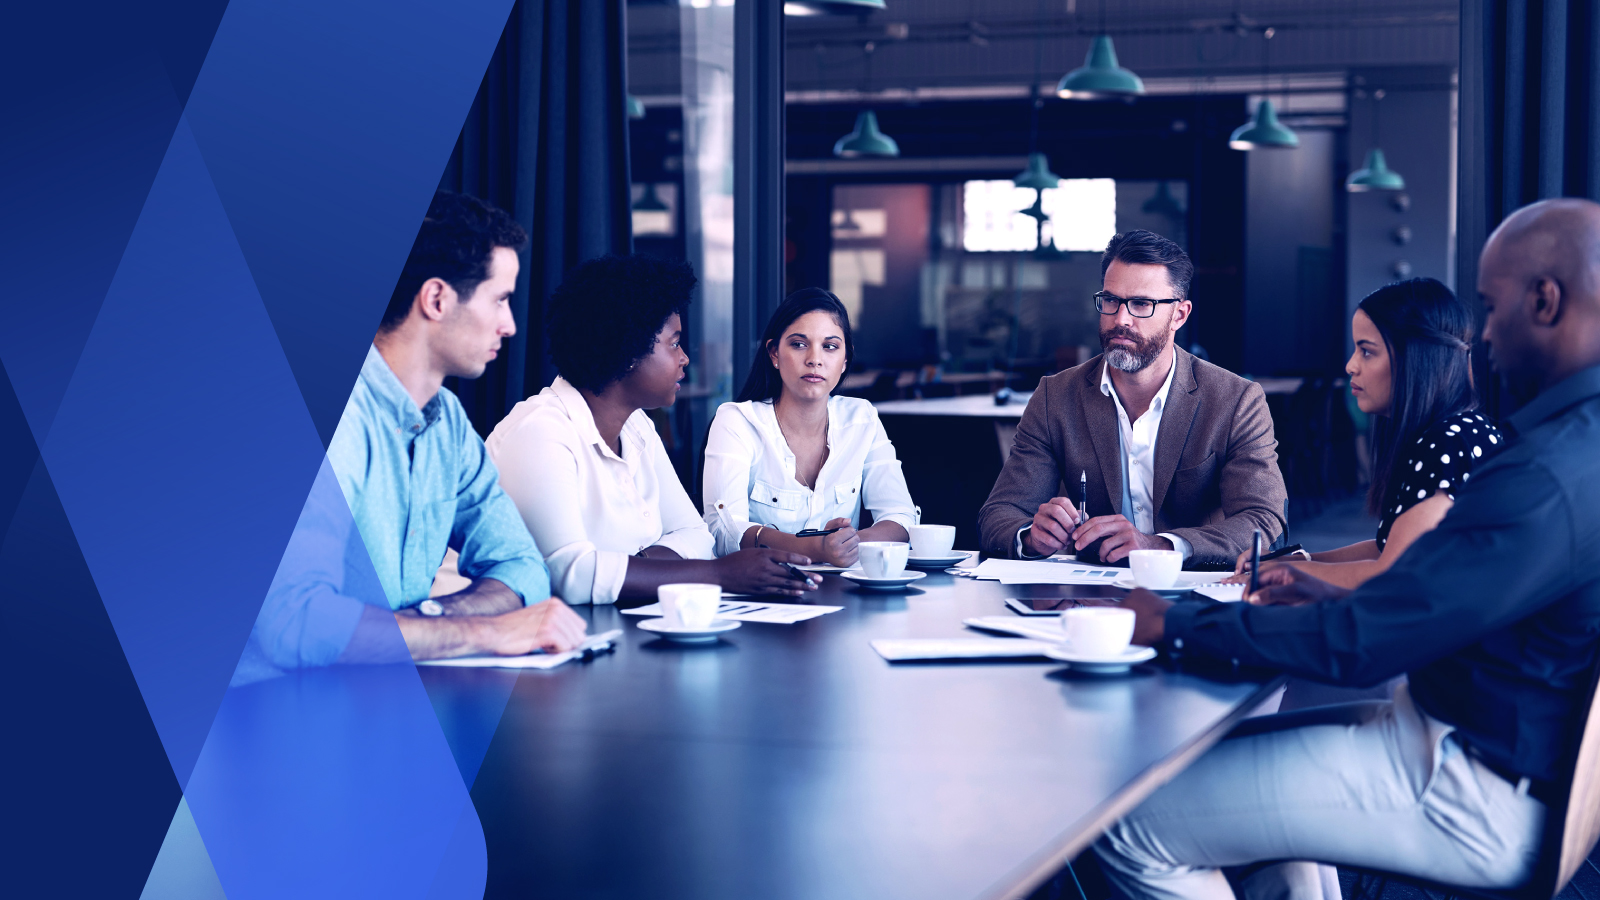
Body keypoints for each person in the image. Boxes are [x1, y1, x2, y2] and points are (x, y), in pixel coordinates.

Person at [1091, 198, 1600, 900]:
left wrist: (1169, 622)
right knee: (1233, 773)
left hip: (1469, 778)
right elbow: (1441, 597)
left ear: (1544, 300)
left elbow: (1368, 646)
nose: (1480, 332)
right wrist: (1328, 586)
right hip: (1472, 737)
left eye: (1490, 304)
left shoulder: (1546, 474)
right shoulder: (1574, 447)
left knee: (1128, 821)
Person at [250, 190, 588, 670]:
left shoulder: (447, 423)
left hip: (371, 696)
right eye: (500, 300)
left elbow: (522, 569)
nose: (510, 325)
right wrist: (487, 630)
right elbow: (293, 623)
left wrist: (424, 620)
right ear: (436, 299)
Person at [487, 254, 820, 605]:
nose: (684, 358)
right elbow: (572, 574)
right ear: (629, 350)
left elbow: (697, 536)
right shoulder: (540, 433)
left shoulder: (637, 426)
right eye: (674, 343)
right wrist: (720, 575)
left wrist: (631, 569)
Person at [978, 229, 1287, 567]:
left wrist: (1162, 546)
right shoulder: (1056, 397)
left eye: (1141, 304)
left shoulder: (1235, 401)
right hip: (1088, 596)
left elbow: (1262, 519)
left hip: (1192, 590)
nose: (1120, 319)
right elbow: (1000, 513)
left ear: (1179, 315)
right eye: (1111, 300)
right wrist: (1030, 536)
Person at [1227, 278, 1504, 589]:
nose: (1350, 366)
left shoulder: (1449, 442)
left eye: (1367, 351)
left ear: (1417, 357)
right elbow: (1388, 547)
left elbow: (1392, 575)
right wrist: (1299, 560)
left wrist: (1282, 576)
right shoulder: (1455, 431)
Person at [702, 288, 916, 567]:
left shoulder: (861, 418)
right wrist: (814, 548)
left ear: (845, 361)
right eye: (799, 344)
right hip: (764, 596)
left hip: (844, 593)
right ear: (774, 353)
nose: (815, 359)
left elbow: (901, 517)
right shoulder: (737, 422)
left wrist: (846, 545)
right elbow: (723, 533)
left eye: (830, 346)